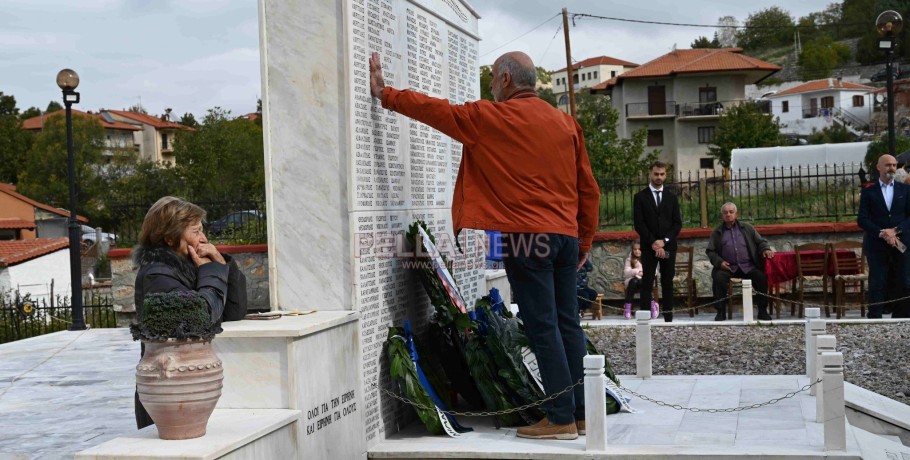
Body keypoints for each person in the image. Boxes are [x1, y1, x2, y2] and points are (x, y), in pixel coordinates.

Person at [369, 51, 600, 440]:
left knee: (543, 327)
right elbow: (588, 188)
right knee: (567, 325)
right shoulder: (565, 123)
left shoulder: (493, 118)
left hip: (529, 239)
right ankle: (581, 413)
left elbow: (437, 111)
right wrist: (584, 241)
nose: (490, 87)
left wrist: (385, 93)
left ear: (506, 79)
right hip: (564, 237)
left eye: (493, 79)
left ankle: (560, 417)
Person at [133, 196, 248, 429]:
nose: (204, 239)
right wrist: (212, 272)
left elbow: (235, 311)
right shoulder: (158, 276)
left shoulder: (191, 267)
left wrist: (223, 265)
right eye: (195, 232)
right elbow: (201, 315)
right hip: (170, 396)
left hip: (191, 391)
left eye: (202, 230)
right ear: (169, 238)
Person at [857, 154, 910, 318]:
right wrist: (882, 233)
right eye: (887, 165)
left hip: (901, 242)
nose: (892, 168)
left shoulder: (905, 190)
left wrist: (895, 231)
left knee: (904, 280)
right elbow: (862, 219)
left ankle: (902, 316)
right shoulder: (868, 192)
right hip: (877, 244)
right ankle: (875, 317)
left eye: (894, 165)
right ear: (879, 167)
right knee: (877, 281)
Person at [705, 202, 774, 321]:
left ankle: (762, 311)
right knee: (718, 279)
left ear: (736, 214)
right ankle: (720, 312)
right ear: (722, 215)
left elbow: (761, 241)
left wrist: (765, 249)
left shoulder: (747, 228)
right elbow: (710, 251)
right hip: (728, 268)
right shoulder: (717, 232)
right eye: (725, 212)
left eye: (731, 212)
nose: (728, 215)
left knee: (761, 277)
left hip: (748, 266)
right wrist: (719, 262)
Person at [633, 162, 682, 322]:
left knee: (667, 280)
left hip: (668, 247)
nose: (659, 177)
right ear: (650, 174)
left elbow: (677, 223)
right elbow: (639, 223)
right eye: (656, 174)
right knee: (647, 281)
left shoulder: (672, 197)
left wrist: (664, 241)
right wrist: (654, 242)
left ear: (665, 175)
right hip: (648, 247)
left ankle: (668, 317)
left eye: (661, 174)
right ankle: (645, 317)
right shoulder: (640, 197)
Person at [622, 241, 657, 320]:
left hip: (644, 281)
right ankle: (628, 308)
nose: (637, 251)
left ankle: (652, 305)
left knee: (642, 282)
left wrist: (643, 273)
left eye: (639, 249)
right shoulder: (629, 259)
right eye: (635, 249)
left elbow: (654, 271)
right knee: (634, 281)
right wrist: (637, 271)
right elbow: (626, 273)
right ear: (632, 250)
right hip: (632, 281)